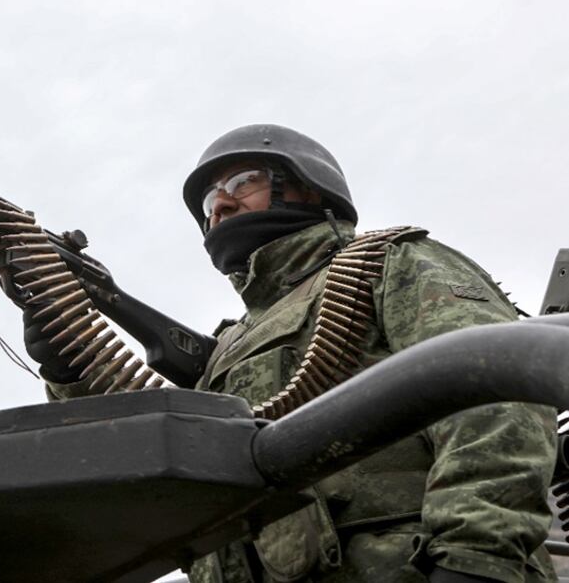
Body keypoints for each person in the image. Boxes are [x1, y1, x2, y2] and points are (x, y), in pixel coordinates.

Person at [31, 124, 557, 582]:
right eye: (210, 200)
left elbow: (494, 394)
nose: (222, 206)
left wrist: (475, 557)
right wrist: (68, 362)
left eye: (242, 183)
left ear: (308, 187)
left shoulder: (386, 262)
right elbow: (150, 465)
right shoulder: (227, 347)